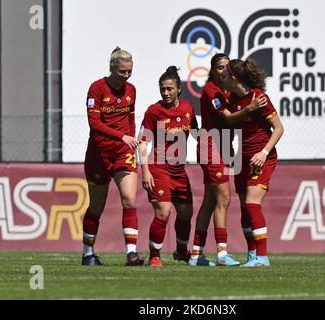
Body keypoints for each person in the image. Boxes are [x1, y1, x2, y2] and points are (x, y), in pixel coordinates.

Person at [190, 53, 267, 266]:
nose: (224, 71)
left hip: (223, 146)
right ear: (212, 70)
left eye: (227, 67)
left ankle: (196, 254)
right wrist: (250, 108)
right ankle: (222, 253)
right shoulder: (211, 90)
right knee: (224, 198)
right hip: (212, 146)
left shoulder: (228, 91)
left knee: (210, 201)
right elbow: (227, 118)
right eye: (220, 67)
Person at [81, 47, 144, 266]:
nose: (126, 76)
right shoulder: (97, 89)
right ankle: (88, 253)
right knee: (96, 207)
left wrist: (131, 139)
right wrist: (122, 136)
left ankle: (132, 254)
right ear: (112, 68)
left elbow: (131, 118)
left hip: (122, 153)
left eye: (129, 72)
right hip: (98, 155)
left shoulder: (131, 90)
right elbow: (94, 124)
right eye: (122, 72)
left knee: (129, 199)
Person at [224, 58, 284, 267]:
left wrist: (264, 152)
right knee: (244, 207)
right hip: (242, 157)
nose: (222, 77)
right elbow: (230, 121)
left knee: (252, 203)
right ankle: (252, 255)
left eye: (225, 74)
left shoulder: (259, 97)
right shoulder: (232, 98)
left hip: (261, 157)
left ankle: (262, 257)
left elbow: (279, 129)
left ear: (233, 77)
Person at [138, 66, 198, 268]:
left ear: (179, 89)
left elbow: (198, 133)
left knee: (186, 214)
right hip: (158, 167)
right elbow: (143, 142)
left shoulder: (189, 107)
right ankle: (154, 256)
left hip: (179, 171)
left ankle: (181, 251)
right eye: (162, 89)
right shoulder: (153, 111)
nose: (165, 92)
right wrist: (145, 171)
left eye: (170, 89)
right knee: (163, 212)